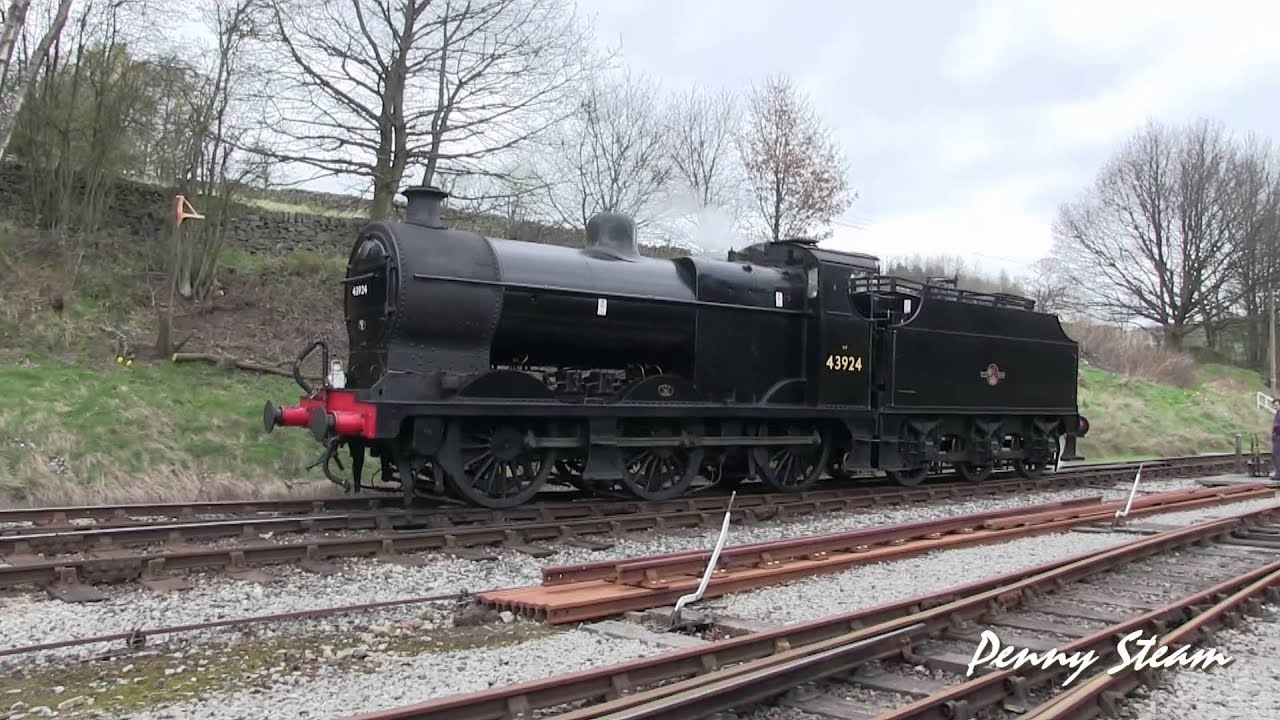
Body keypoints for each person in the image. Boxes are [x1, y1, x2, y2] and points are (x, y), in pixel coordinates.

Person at [1272, 397, 1280, 479]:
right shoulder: (1277, 413)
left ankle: (1278, 474)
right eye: (1274, 405)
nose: (1275, 407)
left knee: (1277, 455)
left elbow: (1277, 426)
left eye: (1276, 405)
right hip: (1277, 437)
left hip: (1278, 437)